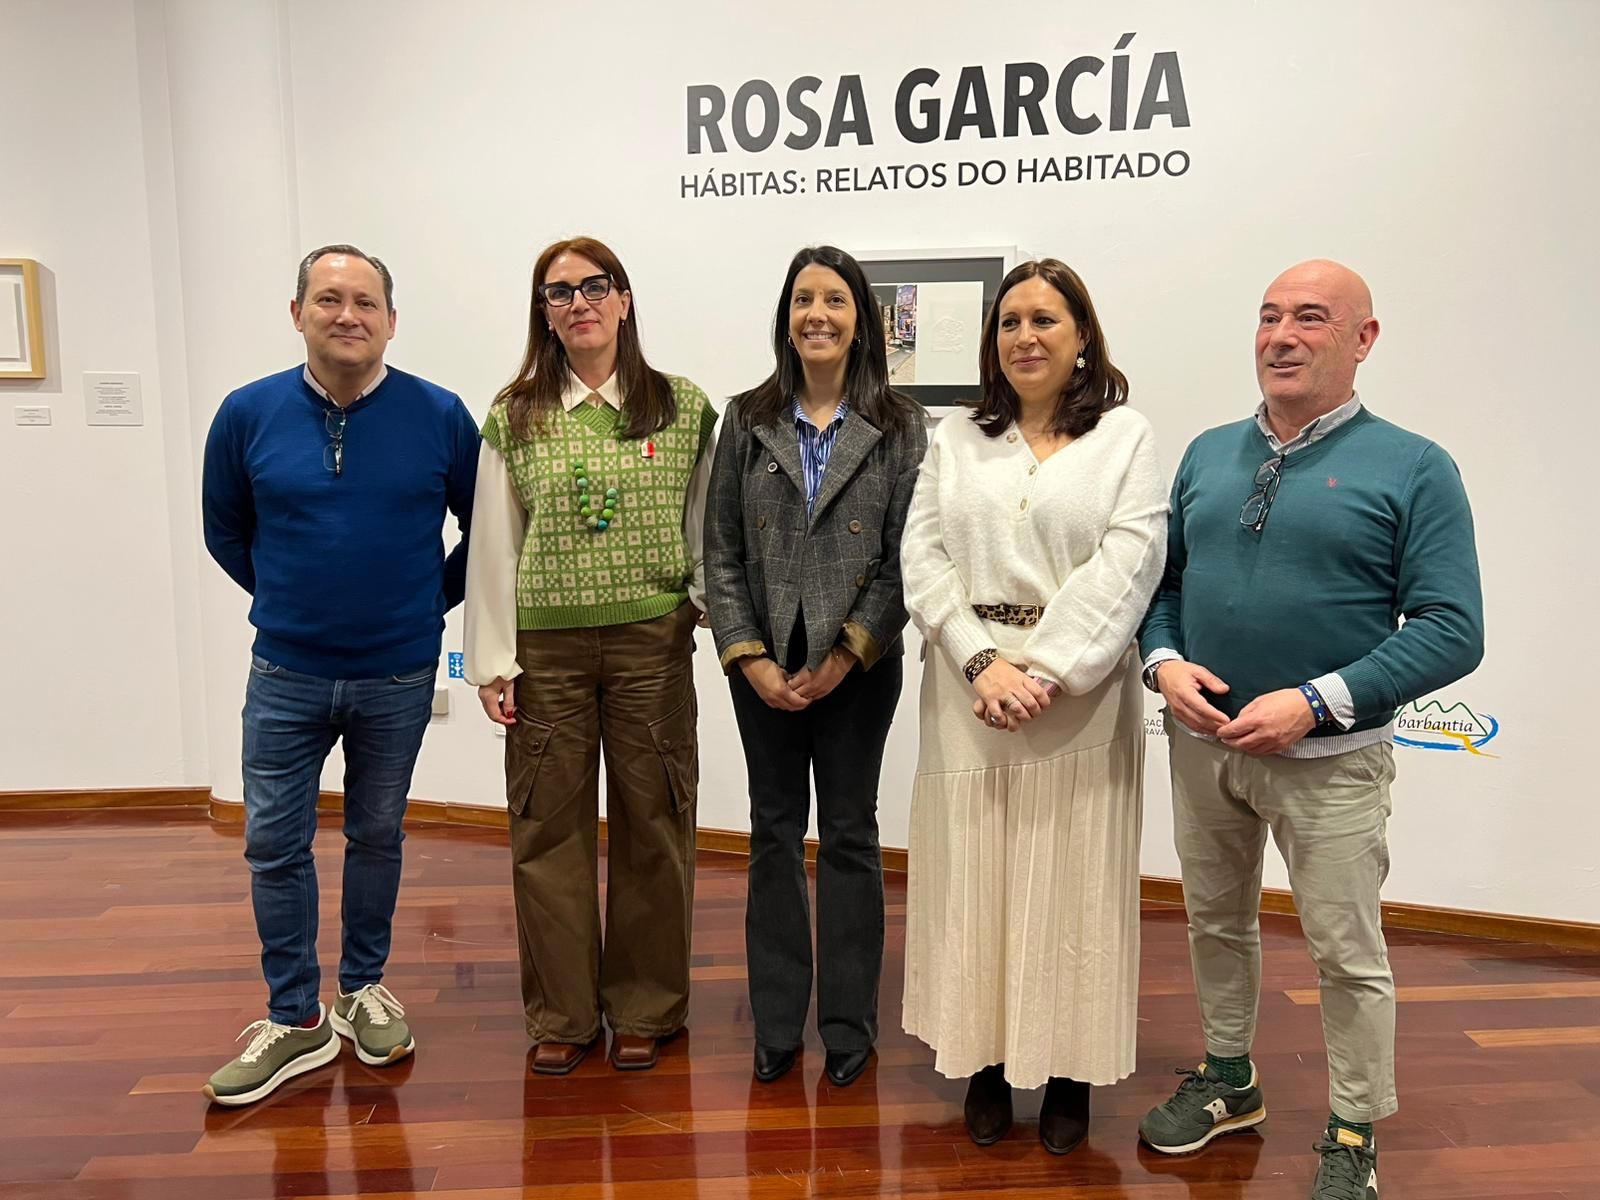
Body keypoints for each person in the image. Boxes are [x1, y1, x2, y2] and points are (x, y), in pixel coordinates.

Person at [1136, 260, 1483, 1200]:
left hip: (1331, 761)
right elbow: (1162, 589)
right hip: (1202, 749)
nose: (1281, 336)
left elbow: (1455, 631)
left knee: (1345, 953)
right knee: (1213, 922)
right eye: (1268, 317)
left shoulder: (1415, 465)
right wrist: (1162, 665)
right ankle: (1229, 1079)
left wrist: (1318, 699)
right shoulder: (1208, 452)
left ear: (1363, 339)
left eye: (1311, 319)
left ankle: (1353, 1128)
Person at [200, 244, 479, 1105]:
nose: (346, 314)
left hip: (396, 673)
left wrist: (420, 604)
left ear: (392, 320)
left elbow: (485, 532)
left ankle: (362, 991)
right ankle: (295, 1017)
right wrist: (291, 596)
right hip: (285, 668)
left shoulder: (440, 415)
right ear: (298, 314)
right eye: (328, 298)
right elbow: (225, 530)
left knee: (378, 835)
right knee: (271, 842)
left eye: (365, 301)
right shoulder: (247, 414)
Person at [900, 259, 1166, 1153]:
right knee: (975, 880)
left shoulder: (1125, 439)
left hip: (1079, 700)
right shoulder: (955, 439)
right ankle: (980, 1061)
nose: (1025, 337)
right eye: (1010, 321)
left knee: (1071, 889)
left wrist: (1045, 671)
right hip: (968, 689)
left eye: (1045, 320)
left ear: (1082, 335)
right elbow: (923, 556)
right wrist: (981, 662)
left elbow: (1131, 562)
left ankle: (1066, 1075)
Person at [465, 236, 716, 1075]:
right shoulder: (515, 414)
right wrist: (490, 660)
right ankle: (563, 1016)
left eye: (593, 286)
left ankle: (645, 1006)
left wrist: (709, 617)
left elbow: (706, 529)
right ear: (544, 312)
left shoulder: (683, 408)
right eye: (557, 292)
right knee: (547, 831)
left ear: (624, 298)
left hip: (652, 644)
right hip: (548, 655)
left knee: (655, 826)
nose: (578, 303)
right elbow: (493, 546)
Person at [703, 245, 927, 1088]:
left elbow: (909, 560)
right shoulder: (746, 416)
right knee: (769, 835)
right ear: (785, 316)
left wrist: (844, 655)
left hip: (858, 671)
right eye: (803, 300)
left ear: (861, 318)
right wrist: (749, 657)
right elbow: (720, 551)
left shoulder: (902, 427)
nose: (817, 315)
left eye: (835, 300)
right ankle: (775, 1021)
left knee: (848, 836)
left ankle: (847, 1025)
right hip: (761, 668)